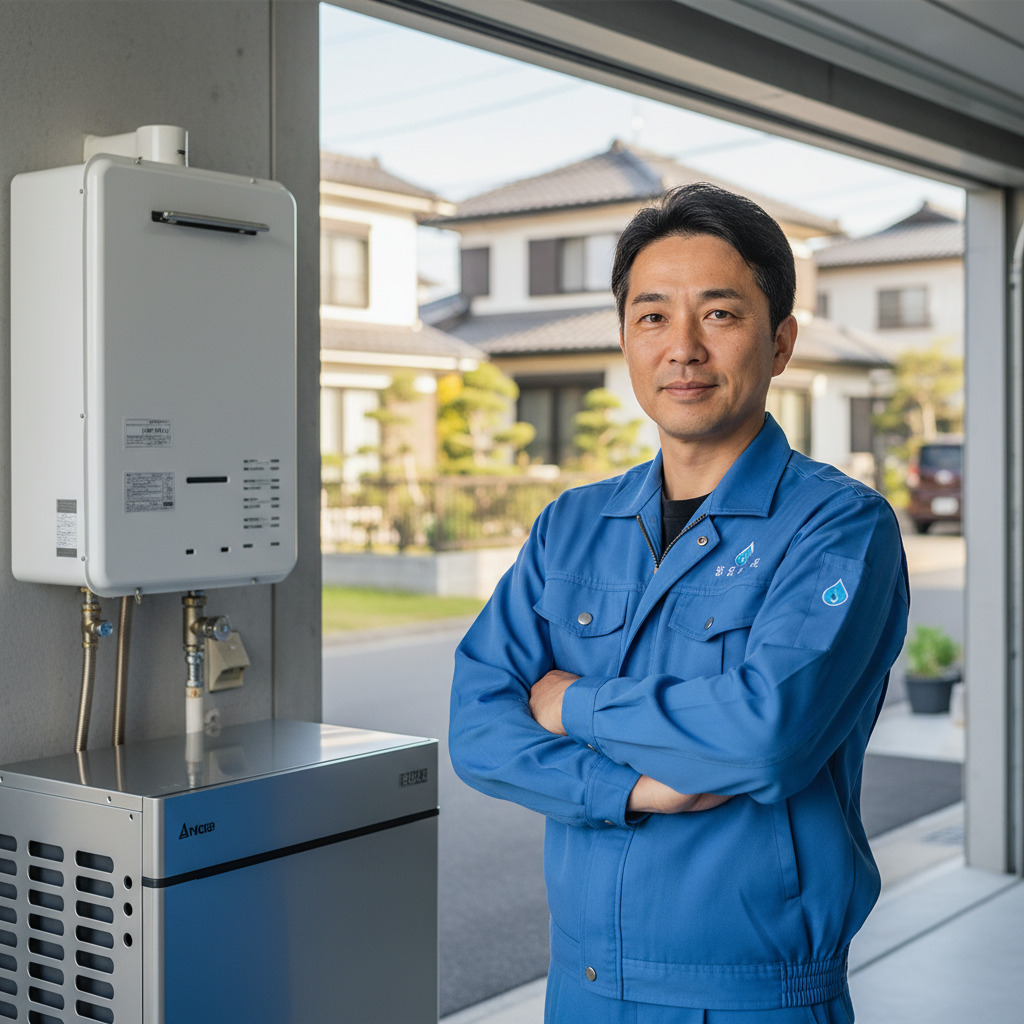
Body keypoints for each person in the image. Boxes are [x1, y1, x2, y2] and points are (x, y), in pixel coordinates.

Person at [449, 183, 909, 1023]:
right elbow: (478, 726)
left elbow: (767, 734)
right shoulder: (572, 525)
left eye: (720, 314)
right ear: (625, 339)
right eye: (653, 316)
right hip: (581, 988)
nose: (683, 348)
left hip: (753, 998)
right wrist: (629, 790)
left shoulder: (839, 527)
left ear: (780, 342)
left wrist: (570, 702)